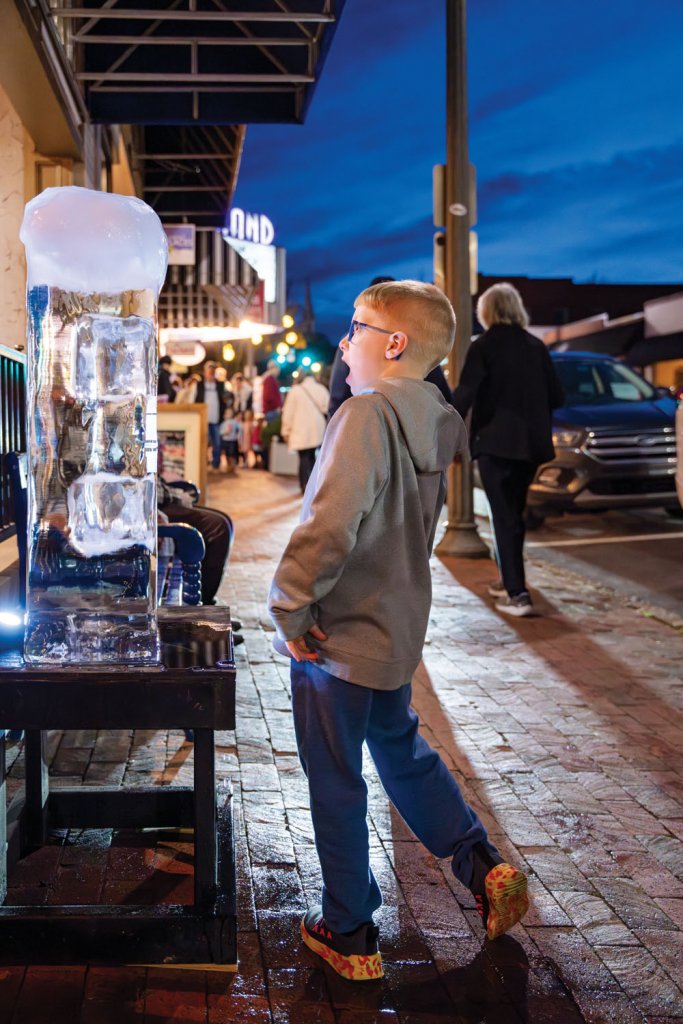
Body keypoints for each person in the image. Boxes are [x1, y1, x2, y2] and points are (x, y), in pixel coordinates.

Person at [268, 280, 529, 982]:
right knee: (400, 750)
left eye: (355, 327)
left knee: (334, 775)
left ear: (392, 343)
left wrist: (291, 608)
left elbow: (327, 525)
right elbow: (426, 528)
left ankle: (348, 929)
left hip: (337, 634)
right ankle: (481, 866)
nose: (345, 340)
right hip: (396, 626)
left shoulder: (363, 416)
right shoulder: (437, 420)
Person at [452, 282, 565, 617]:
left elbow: (465, 394)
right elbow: (558, 396)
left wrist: (443, 428)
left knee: (503, 516)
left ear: (486, 312)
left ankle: (518, 594)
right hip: (531, 445)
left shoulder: (484, 346)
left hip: (495, 443)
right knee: (513, 515)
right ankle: (508, 579)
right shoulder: (535, 346)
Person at [328, 276, 455, 418]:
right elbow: (441, 389)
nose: (343, 344)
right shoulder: (448, 416)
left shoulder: (360, 412)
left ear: (395, 344)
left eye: (358, 327)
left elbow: (337, 397)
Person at [158, 478, 232, 605]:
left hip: (156, 499)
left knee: (225, 520)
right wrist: (177, 496)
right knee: (218, 527)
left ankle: (206, 603)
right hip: (147, 507)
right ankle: (203, 604)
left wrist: (176, 493)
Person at [281, 371, 330, 492]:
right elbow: (327, 408)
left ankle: (304, 485)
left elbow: (288, 412)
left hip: (300, 429)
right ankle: (312, 486)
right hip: (317, 430)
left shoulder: (295, 391)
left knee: (303, 457)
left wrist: (286, 430)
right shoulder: (321, 389)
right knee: (313, 457)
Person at [182, 361, 228, 470]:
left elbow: (226, 399)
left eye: (213, 371)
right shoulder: (198, 385)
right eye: (209, 371)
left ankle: (215, 464)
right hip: (202, 419)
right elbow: (192, 400)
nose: (211, 373)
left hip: (216, 418)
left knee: (217, 442)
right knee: (203, 442)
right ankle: (202, 463)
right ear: (205, 372)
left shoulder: (221, 385)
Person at [219, 407, 240, 473]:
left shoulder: (234, 422)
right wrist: (224, 433)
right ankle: (229, 466)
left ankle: (233, 466)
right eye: (226, 413)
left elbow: (239, 429)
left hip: (232, 441)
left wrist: (238, 435)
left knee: (232, 454)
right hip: (225, 441)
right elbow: (220, 432)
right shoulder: (223, 423)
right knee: (227, 455)